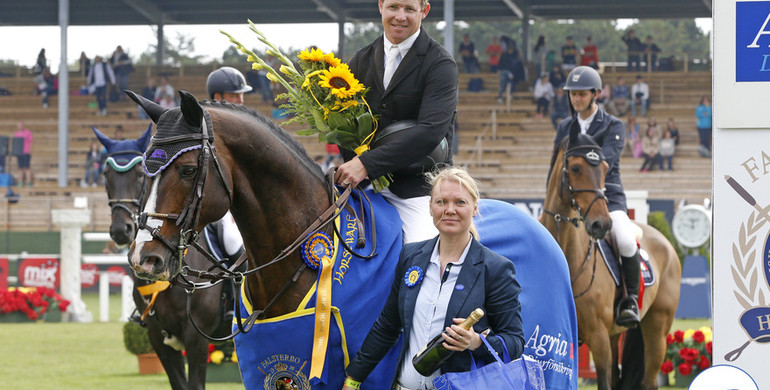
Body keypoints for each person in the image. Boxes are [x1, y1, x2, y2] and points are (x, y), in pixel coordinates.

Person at [342, 167, 524, 390]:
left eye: (460, 202)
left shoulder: (496, 268)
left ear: (474, 208)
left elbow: (515, 343)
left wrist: (476, 343)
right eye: (441, 202)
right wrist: (353, 378)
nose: (449, 210)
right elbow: (387, 327)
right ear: (430, 207)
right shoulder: (410, 256)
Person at [337, 0, 458, 244]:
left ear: (424, 11)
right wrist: (355, 165)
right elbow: (344, 124)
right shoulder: (360, 60)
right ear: (381, 6)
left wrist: (367, 164)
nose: (400, 17)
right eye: (393, 7)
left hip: (418, 189)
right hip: (365, 187)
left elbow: (430, 132)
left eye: (409, 9)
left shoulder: (440, 64)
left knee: (419, 254)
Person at [553, 66, 642, 327]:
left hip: (606, 199)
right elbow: (554, 168)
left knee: (625, 240)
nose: (577, 99)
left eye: (582, 94)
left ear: (595, 94)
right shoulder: (564, 127)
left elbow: (606, 162)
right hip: (571, 202)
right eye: (573, 94)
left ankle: (630, 299)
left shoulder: (614, 126)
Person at [13, 121, 33, 187]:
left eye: (21, 125)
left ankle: (29, 181)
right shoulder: (16, 133)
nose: (20, 126)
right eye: (18, 125)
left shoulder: (27, 132)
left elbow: (31, 141)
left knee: (27, 167)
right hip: (19, 152)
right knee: (20, 167)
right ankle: (20, 181)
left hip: (26, 152)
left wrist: (30, 150)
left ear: (23, 125)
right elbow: (15, 143)